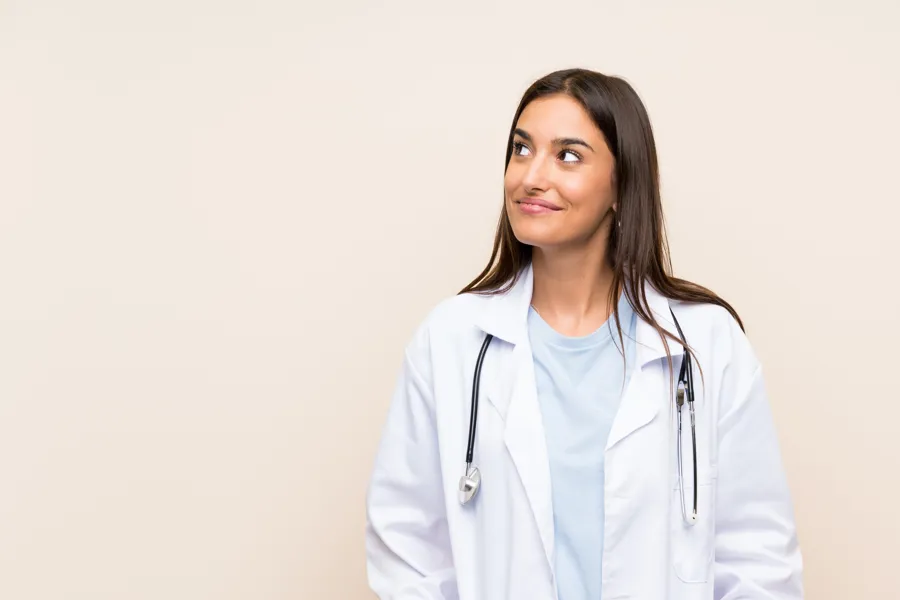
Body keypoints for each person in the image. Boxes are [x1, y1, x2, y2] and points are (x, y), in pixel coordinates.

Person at [364, 68, 803, 600]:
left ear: (622, 185)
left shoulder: (705, 345)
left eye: (568, 156)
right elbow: (407, 547)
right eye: (521, 150)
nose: (531, 176)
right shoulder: (452, 340)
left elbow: (757, 554)